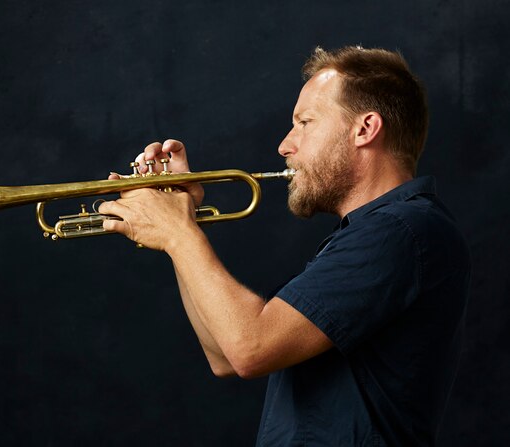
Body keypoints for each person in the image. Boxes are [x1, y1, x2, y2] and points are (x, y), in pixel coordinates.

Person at [99, 46, 471, 446]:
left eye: (305, 122)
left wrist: (177, 231)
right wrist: (179, 223)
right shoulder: (375, 233)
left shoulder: (401, 230)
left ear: (365, 129)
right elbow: (223, 356)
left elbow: (249, 347)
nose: (285, 145)